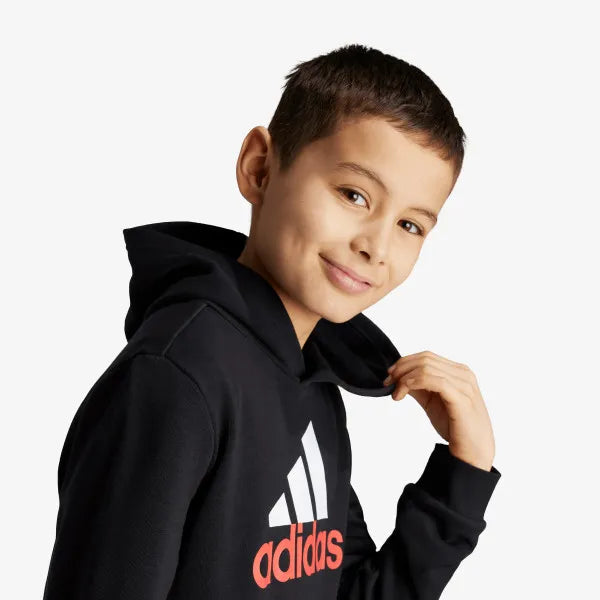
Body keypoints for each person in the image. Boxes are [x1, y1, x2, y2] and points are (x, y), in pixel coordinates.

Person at [42, 43, 501, 599]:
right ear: (259, 168)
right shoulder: (176, 379)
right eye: (354, 195)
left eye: (410, 225)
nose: (376, 247)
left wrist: (465, 472)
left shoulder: (313, 382)